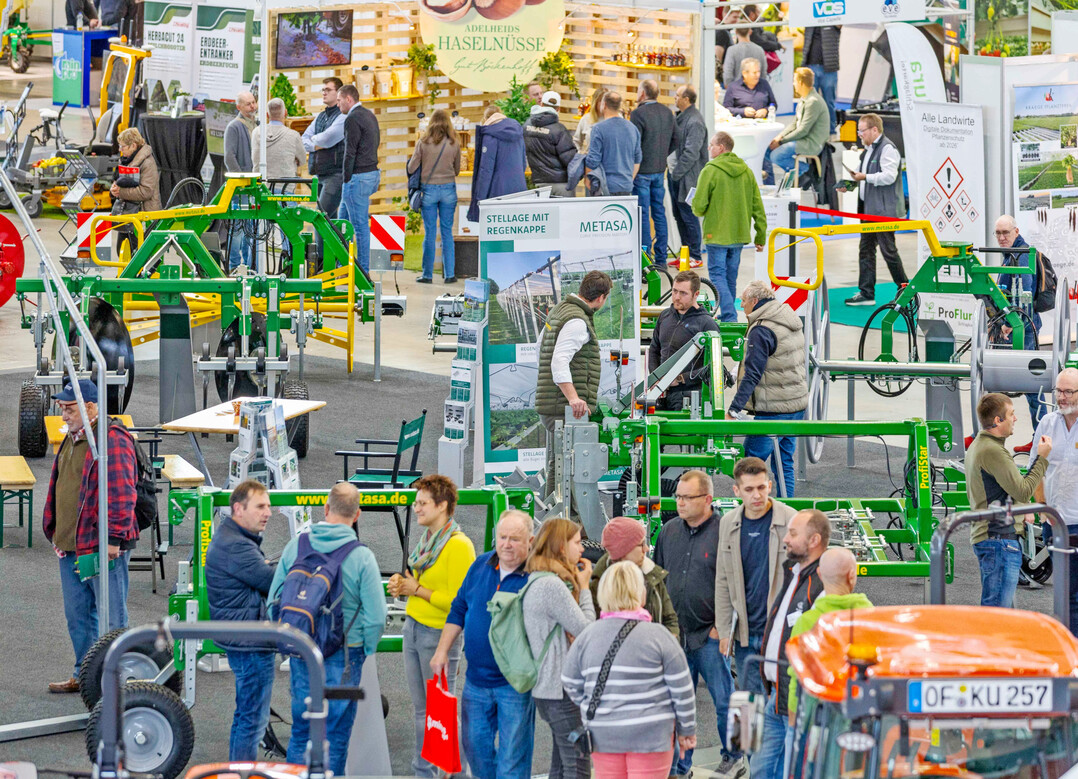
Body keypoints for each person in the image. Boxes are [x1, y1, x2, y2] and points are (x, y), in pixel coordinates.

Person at [270, 483, 386, 774]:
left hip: (302, 651)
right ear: (357, 514)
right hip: (345, 656)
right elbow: (376, 617)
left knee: (301, 730)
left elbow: (275, 599)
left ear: (325, 508)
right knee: (335, 735)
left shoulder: (297, 545)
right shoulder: (361, 557)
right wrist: (364, 649)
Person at [43, 380, 139, 694]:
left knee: (111, 616)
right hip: (73, 547)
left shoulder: (110, 440)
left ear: (91, 407)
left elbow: (122, 494)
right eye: (62, 408)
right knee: (79, 615)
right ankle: (86, 677)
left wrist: (112, 540)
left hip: (99, 548)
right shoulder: (75, 437)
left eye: (70, 408)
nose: (64, 414)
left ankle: (114, 680)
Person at [562, 561, 697, 779]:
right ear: (640, 594)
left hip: (603, 735)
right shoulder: (659, 636)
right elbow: (682, 690)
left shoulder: (587, 636)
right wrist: (687, 730)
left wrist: (593, 705)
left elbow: (569, 680)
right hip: (651, 736)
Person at [430, 510, 535, 779]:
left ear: (530, 542)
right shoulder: (480, 566)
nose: (506, 544)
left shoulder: (537, 578)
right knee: (476, 752)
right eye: (502, 537)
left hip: (515, 686)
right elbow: (459, 607)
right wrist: (442, 651)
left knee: (512, 763)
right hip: (476, 682)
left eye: (514, 538)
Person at [386, 475, 477, 778]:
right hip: (413, 629)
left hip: (439, 636)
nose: (416, 508)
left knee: (441, 712)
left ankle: (452, 773)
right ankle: (424, 772)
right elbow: (421, 583)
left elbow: (459, 603)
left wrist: (417, 590)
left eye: (423, 503)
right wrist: (403, 585)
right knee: (423, 712)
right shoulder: (428, 542)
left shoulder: (460, 547)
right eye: (417, 502)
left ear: (443, 506)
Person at [653, 470, 743, 778]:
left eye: (686, 497)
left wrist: (723, 627)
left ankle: (736, 756)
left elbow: (736, 584)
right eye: (677, 496)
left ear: (707, 499)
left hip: (710, 636)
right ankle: (680, 767)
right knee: (677, 706)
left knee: (726, 702)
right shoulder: (668, 532)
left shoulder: (725, 533)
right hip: (677, 636)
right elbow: (659, 580)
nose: (679, 502)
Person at [753, 509, 829, 779]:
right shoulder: (793, 572)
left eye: (793, 534)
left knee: (792, 770)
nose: (785, 539)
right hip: (776, 695)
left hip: (797, 702)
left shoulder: (821, 585)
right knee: (761, 769)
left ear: (814, 540)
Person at [205, 480, 277, 760]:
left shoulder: (232, 538)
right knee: (252, 720)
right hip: (250, 642)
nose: (268, 513)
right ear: (238, 508)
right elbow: (270, 581)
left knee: (245, 716)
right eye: (260, 506)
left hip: (244, 637)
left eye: (269, 506)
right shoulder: (236, 546)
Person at [715, 457, 797, 695]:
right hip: (745, 636)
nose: (757, 495)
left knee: (783, 704)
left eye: (761, 487)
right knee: (752, 708)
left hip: (781, 633)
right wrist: (723, 631)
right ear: (736, 490)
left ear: (770, 486)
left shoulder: (791, 521)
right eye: (749, 489)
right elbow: (722, 580)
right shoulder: (728, 523)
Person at [522, 518, 597, 779]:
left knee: (561, 764)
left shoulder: (539, 578)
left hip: (549, 689)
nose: (583, 549)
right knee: (578, 765)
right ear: (561, 547)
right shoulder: (553, 586)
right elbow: (587, 630)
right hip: (559, 691)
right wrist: (585, 587)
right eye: (577, 543)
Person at [535, 270, 612, 520]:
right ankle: (568, 527)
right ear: (600, 298)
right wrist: (573, 398)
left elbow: (540, 349)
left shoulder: (559, 310)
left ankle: (555, 525)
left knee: (557, 466)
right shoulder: (578, 321)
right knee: (569, 472)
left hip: (551, 406)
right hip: (562, 409)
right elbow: (559, 361)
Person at [965, 393, 1050, 609]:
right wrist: (1042, 458)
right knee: (997, 616)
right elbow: (1023, 491)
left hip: (991, 538)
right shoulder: (993, 451)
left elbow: (1003, 490)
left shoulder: (980, 445)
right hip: (999, 541)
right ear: (997, 420)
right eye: (1011, 414)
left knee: (1000, 615)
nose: (1016, 418)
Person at [727, 281, 808, 498]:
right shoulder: (786, 317)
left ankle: (751, 512)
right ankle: (787, 510)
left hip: (774, 409)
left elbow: (753, 373)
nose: (741, 306)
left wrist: (734, 409)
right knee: (784, 463)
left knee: (748, 465)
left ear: (755, 301)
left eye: (743, 302)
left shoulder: (762, 328)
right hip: (796, 404)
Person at [786, 549, 871, 716]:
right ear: (852, 576)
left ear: (819, 573)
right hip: (860, 715)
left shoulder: (807, 622)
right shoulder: (871, 619)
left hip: (819, 717)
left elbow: (797, 677)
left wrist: (792, 721)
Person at [692, 132, 767, 322]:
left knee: (717, 276)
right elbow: (757, 205)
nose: (709, 148)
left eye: (712, 145)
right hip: (739, 235)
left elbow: (699, 206)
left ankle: (729, 315)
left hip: (716, 234)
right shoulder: (747, 171)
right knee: (730, 278)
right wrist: (760, 236)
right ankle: (728, 315)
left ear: (721, 148)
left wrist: (697, 207)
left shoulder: (710, 171)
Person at [844, 114, 908, 307]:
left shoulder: (888, 149)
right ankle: (866, 293)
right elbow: (862, 175)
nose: (859, 135)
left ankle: (905, 290)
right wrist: (848, 184)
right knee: (866, 250)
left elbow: (889, 176)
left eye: (862, 130)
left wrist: (865, 177)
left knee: (889, 251)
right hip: (869, 210)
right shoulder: (868, 150)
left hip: (883, 212)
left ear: (874, 130)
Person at [1033, 368, 1078, 633]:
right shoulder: (1047, 423)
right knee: (1065, 593)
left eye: (1068, 392)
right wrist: (1041, 507)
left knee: (1072, 595)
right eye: (1059, 391)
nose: (1061, 397)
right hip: (1055, 523)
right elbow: (1035, 468)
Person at [992, 214, 1047, 429]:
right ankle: (993, 430)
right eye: (998, 233)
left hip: (1022, 329)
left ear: (1016, 231)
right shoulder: (1010, 253)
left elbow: (1024, 296)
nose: (1001, 237)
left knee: (1031, 384)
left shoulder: (1022, 255)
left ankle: (1040, 435)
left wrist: (1009, 324)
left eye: (1006, 232)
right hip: (1015, 327)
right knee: (1000, 381)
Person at [589, 516, 680, 637]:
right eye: (641, 544)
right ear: (623, 549)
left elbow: (669, 618)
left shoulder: (652, 574)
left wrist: (670, 642)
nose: (646, 549)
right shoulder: (599, 585)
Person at [648, 270, 720, 410]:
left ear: (696, 294)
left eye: (683, 293)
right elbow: (654, 349)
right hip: (661, 395)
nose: (677, 297)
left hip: (690, 397)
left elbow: (714, 367)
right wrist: (656, 377)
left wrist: (681, 379)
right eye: (674, 291)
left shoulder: (706, 324)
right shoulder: (665, 317)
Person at [408, 108, 462, 284]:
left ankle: (427, 275)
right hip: (448, 190)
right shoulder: (454, 143)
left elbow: (411, 168)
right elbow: (457, 170)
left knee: (430, 233)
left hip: (428, 190)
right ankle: (450, 275)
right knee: (447, 232)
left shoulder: (422, 142)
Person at [630, 79, 678, 261]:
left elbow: (635, 145)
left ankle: (645, 261)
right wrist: (663, 155)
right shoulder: (668, 113)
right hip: (659, 170)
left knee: (642, 214)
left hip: (641, 171)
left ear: (642, 93)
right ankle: (660, 259)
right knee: (659, 212)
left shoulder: (637, 114)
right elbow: (677, 140)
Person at [338, 83, 381, 274]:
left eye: (339, 101)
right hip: (371, 174)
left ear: (349, 99)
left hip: (357, 177)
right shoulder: (369, 115)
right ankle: (343, 266)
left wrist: (346, 178)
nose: (338, 105)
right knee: (342, 222)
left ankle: (363, 271)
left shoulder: (352, 118)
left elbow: (350, 151)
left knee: (360, 226)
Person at [762, 68, 828, 186]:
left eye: (794, 81)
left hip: (811, 142)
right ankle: (797, 176)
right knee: (767, 150)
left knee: (776, 155)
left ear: (801, 82)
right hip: (803, 139)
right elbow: (794, 123)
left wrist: (781, 141)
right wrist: (779, 137)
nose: (793, 84)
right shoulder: (804, 99)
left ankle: (805, 170)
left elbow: (803, 130)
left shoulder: (813, 101)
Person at [668, 85, 708, 269]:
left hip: (688, 178)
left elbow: (691, 153)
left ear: (686, 99)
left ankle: (695, 255)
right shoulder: (682, 118)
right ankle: (685, 255)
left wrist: (676, 173)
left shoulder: (695, 122)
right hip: (677, 176)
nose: (674, 99)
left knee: (689, 216)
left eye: (677, 96)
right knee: (679, 216)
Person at [466, 105, 527, 223]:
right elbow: (523, 162)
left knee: (497, 234)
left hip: (497, 192)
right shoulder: (517, 131)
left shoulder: (490, 135)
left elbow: (486, 170)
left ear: (486, 118)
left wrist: (480, 199)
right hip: (519, 189)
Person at [109, 127, 162, 256]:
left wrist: (120, 192)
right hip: (128, 216)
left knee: (139, 256)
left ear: (133, 145)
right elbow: (119, 182)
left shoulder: (147, 163)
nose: (120, 150)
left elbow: (146, 192)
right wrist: (114, 189)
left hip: (144, 218)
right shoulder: (128, 160)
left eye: (123, 147)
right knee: (122, 252)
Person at [302, 77, 347, 226]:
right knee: (330, 221)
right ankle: (335, 250)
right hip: (319, 174)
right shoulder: (321, 116)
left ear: (338, 92)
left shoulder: (342, 116)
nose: (324, 93)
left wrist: (315, 141)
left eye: (328, 90)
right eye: (323, 90)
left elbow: (328, 139)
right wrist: (316, 144)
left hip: (335, 175)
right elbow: (304, 140)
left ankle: (322, 251)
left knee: (320, 219)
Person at [224, 91, 258, 270]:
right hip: (241, 187)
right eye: (248, 104)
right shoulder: (234, 127)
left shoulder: (257, 125)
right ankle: (234, 265)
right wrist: (241, 181)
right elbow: (229, 157)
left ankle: (250, 264)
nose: (252, 106)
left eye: (253, 102)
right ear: (239, 107)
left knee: (251, 228)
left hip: (254, 186)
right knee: (237, 228)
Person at [585, 91, 641, 197]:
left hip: (604, 187)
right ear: (619, 106)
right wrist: (629, 179)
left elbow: (593, 160)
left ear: (604, 105)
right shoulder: (632, 128)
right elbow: (637, 159)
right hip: (626, 186)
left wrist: (588, 178)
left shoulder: (598, 129)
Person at [524, 91, 577, 198]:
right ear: (558, 109)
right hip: (561, 185)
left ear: (541, 104)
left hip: (539, 184)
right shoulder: (559, 130)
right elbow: (570, 160)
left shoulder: (526, 126)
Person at [252, 98, 308, 180]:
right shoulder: (293, 135)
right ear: (285, 113)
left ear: (267, 115)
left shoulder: (256, 133)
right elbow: (302, 160)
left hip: (261, 186)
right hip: (285, 187)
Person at [801, 25, 841, 134]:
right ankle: (808, 130)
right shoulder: (809, 21)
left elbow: (840, 23)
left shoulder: (832, 19)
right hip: (810, 66)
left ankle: (831, 131)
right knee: (809, 102)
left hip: (829, 68)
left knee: (829, 102)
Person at [574, 86, 607, 153]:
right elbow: (576, 141)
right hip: (591, 160)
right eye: (601, 101)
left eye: (607, 101)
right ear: (595, 102)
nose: (604, 104)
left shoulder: (614, 119)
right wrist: (580, 153)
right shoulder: (586, 119)